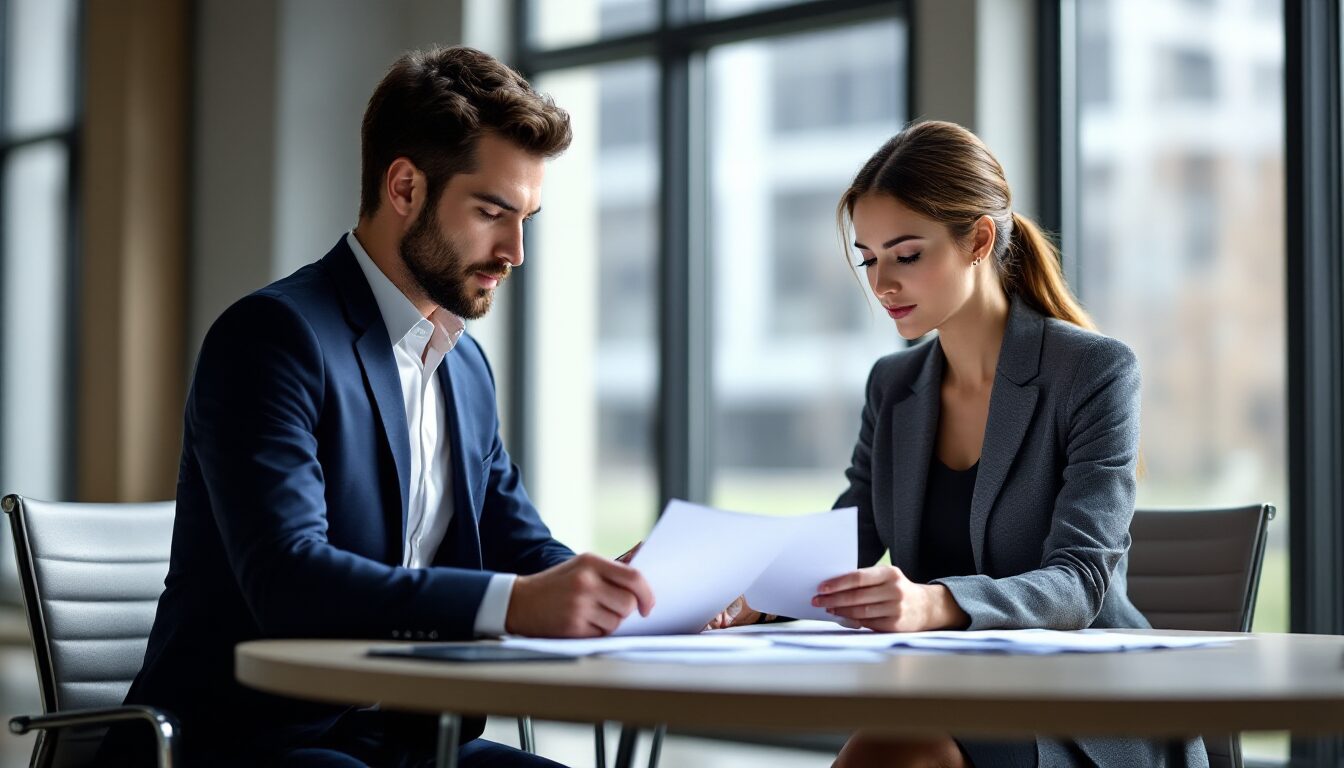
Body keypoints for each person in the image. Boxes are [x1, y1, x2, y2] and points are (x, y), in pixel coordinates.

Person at [107, 46, 654, 767]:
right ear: (404, 187)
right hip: (247, 744)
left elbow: (519, 549)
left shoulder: (463, 365)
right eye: (492, 212)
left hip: (406, 742)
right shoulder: (273, 339)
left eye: (527, 218)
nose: (516, 250)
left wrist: (625, 592)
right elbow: (291, 581)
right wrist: (517, 603)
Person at [714, 121, 1206, 767]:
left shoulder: (1093, 372)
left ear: (978, 239)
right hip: (949, 696)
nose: (882, 283)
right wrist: (746, 594)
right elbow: (847, 540)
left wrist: (932, 602)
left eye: (906, 254)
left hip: (1085, 708)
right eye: (869, 258)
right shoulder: (894, 387)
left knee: (894, 752)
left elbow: (1082, 582)